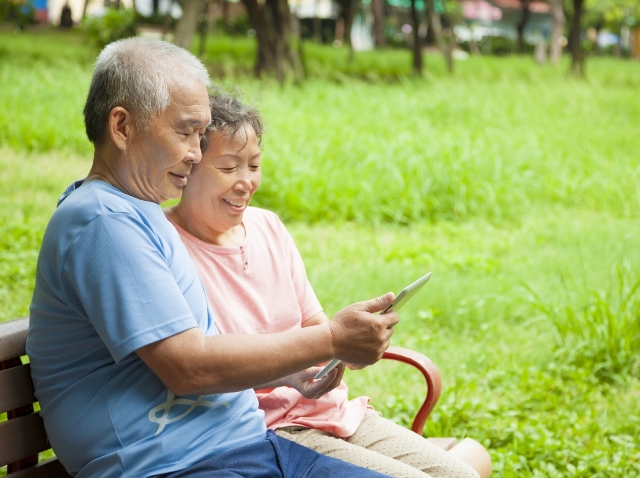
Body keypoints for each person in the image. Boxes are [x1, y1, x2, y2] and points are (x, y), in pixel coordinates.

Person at [27, 37, 400, 478]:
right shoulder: (101, 221)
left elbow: (191, 345)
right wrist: (332, 340)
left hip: (245, 447)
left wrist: (287, 374)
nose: (197, 153)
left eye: (199, 135)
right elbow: (188, 367)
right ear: (122, 127)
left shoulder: (136, 210)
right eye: (185, 132)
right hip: (176, 466)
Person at [164, 91, 492, 478]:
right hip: (270, 432)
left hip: (332, 411)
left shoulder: (267, 226)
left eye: (253, 165)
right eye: (228, 167)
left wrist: (349, 348)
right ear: (190, 166)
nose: (246, 182)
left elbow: (315, 330)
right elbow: (197, 366)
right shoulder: (166, 246)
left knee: (464, 474)